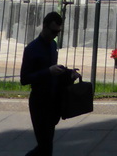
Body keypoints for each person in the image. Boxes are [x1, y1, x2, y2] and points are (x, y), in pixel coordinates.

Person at [20, 11, 78, 156]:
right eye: (53, 31)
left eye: (58, 32)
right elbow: (25, 78)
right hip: (39, 102)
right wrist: (48, 72)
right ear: (44, 27)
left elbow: (54, 71)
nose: (55, 35)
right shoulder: (32, 49)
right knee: (44, 146)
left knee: (46, 145)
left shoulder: (52, 45)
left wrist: (69, 73)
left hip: (53, 101)